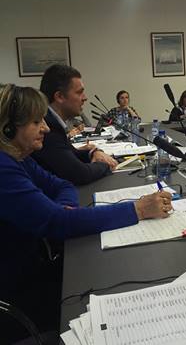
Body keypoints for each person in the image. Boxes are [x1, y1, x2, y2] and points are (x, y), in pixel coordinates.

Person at [0, 84, 172, 342]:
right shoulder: (3, 168)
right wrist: (138, 208)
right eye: (36, 122)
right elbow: (58, 223)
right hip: (16, 293)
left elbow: (63, 186)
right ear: (9, 128)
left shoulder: (20, 158)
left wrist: (63, 211)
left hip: (32, 268)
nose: (45, 128)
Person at [33, 64, 117, 185]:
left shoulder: (53, 120)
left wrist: (93, 153)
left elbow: (71, 154)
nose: (85, 98)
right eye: (79, 92)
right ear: (60, 96)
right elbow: (80, 174)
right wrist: (105, 164)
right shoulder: (48, 128)